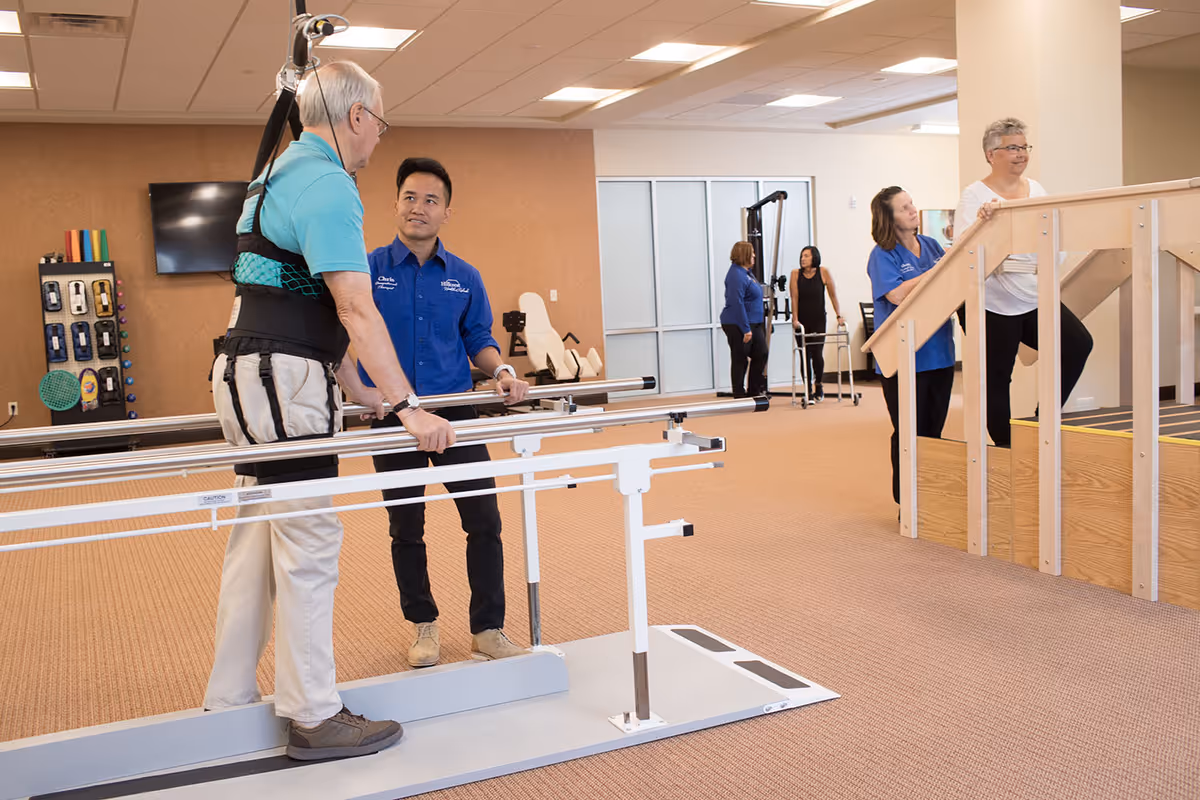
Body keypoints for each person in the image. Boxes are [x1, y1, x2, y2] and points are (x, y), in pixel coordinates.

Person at [204, 62, 455, 762]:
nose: (378, 137)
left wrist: (361, 390)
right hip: (282, 380)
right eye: (379, 122)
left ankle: (227, 700)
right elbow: (353, 306)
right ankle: (314, 715)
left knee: (259, 538)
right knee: (309, 543)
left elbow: (295, 296)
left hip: (250, 370)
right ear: (355, 117)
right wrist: (407, 406)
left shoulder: (276, 174)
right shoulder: (328, 183)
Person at [360, 157, 531, 668]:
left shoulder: (464, 276)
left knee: (484, 521)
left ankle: (488, 628)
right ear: (395, 204)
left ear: (446, 212)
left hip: (456, 413)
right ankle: (423, 625)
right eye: (410, 197)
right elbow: (351, 331)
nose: (419, 207)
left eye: (431, 200)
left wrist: (502, 371)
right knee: (406, 526)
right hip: (396, 418)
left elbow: (478, 338)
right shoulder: (368, 269)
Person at [954, 117, 1093, 447]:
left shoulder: (1036, 190)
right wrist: (982, 224)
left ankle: (1044, 418)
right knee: (998, 377)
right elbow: (964, 250)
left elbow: (1051, 232)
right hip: (992, 302)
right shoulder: (974, 196)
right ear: (991, 154)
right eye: (1013, 148)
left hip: (1032, 295)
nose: (1021, 154)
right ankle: (1006, 446)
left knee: (1077, 344)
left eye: (1024, 147)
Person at [867, 186, 956, 508]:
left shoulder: (931, 245)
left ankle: (929, 500)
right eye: (904, 208)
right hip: (902, 358)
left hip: (940, 353)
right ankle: (906, 503)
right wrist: (936, 272)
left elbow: (953, 281)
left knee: (933, 431)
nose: (912, 210)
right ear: (889, 218)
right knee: (908, 431)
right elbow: (896, 294)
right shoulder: (882, 254)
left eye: (912, 204)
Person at [789, 245, 845, 402]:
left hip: (819, 319)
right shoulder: (795, 274)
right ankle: (807, 389)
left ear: (814, 257)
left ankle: (818, 384)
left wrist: (839, 315)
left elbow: (833, 295)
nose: (803, 259)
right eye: (802, 256)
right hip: (802, 321)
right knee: (804, 354)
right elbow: (794, 297)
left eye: (806, 256)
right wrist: (795, 318)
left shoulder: (823, 272)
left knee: (817, 354)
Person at [720, 241, 767, 398]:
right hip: (738, 323)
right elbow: (736, 303)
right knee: (740, 358)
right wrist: (745, 329)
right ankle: (739, 395)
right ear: (744, 254)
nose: (754, 255)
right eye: (751, 252)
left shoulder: (747, 273)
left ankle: (754, 391)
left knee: (761, 353)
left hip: (754, 322)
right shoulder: (736, 274)